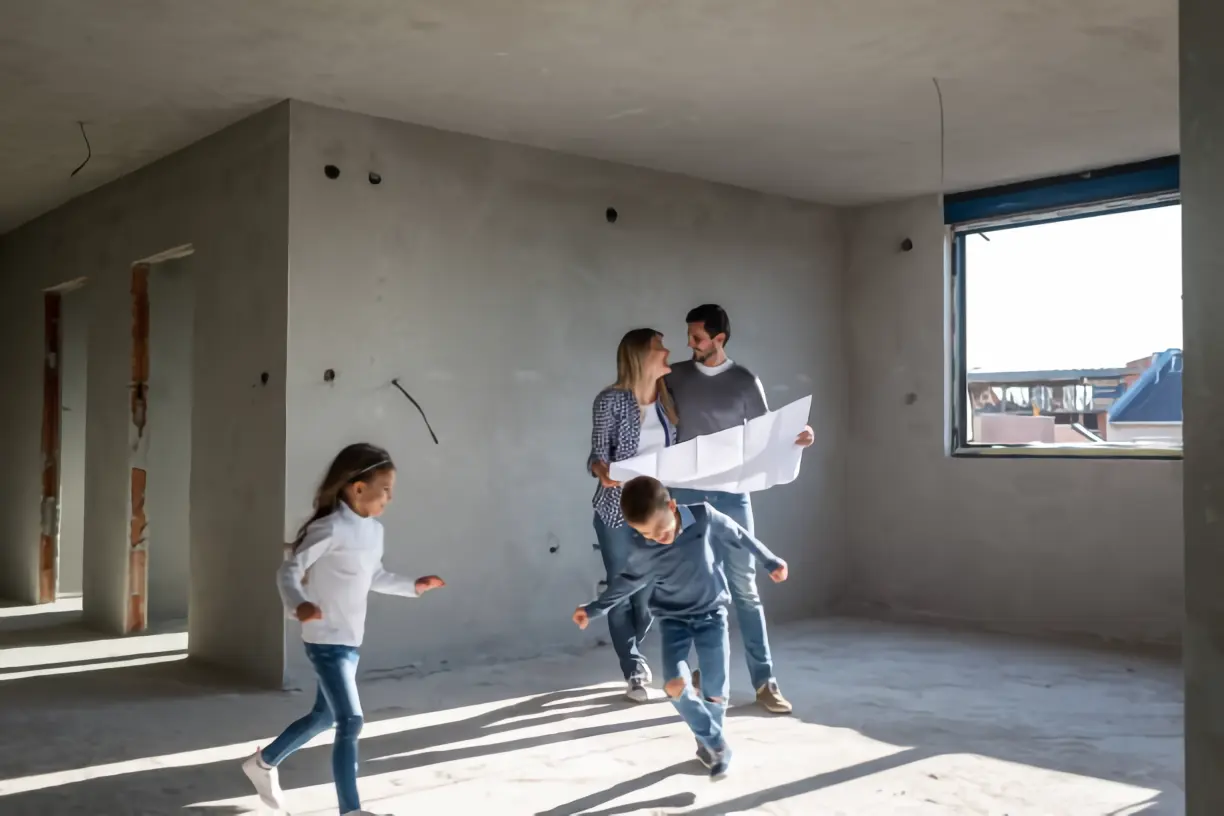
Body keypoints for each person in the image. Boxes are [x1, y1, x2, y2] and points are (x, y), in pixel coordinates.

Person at [242, 443, 446, 816]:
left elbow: (375, 576)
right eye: (384, 489)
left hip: (351, 641)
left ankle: (263, 763)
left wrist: (413, 586)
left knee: (324, 716)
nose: (389, 498)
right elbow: (289, 569)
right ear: (357, 487)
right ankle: (350, 811)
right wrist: (298, 603)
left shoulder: (375, 532)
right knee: (350, 720)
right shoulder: (329, 528)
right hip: (325, 640)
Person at [573, 476, 789, 778]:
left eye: (660, 530)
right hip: (673, 621)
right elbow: (624, 585)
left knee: (715, 690)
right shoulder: (643, 547)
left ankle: (708, 745)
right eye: (646, 533)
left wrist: (770, 561)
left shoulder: (702, 515)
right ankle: (716, 744)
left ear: (672, 506)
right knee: (674, 686)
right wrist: (592, 609)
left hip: (712, 615)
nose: (656, 538)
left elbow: (738, 534)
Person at [664, 304, 814, 715]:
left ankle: (765, 681)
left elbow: (767, 436)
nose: (689, 344)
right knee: (695, 587)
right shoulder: (674, 377)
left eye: (696, 337)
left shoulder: (745, 381)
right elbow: (647, 415)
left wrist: (797, 438)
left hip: (732, 494)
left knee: (744, 587)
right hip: (685, 495)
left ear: (719, 339)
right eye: (689, 337)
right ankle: (702, 671)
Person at [587, 328, 678, 702]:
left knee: (648, 595)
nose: (667, 350)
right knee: (621, 590)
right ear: (640, 355)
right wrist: (603, 471)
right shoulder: (610, 401)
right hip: (616, 510)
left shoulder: (668, 402)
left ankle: (631, 647)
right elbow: (595, 454)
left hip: (656, 512)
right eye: (660, 347)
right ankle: (634, 668)